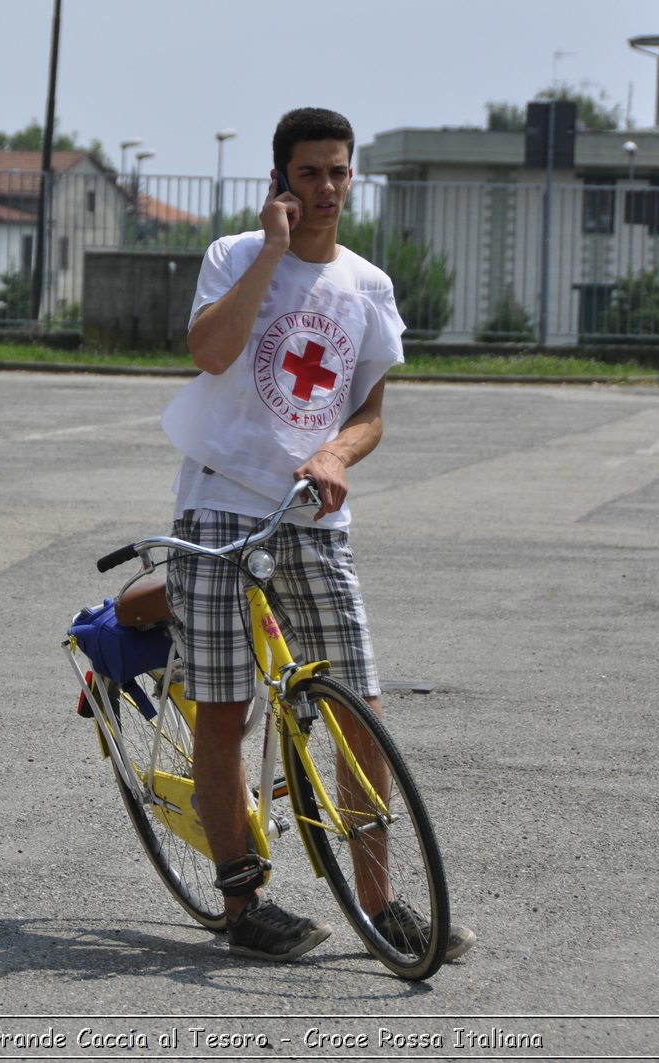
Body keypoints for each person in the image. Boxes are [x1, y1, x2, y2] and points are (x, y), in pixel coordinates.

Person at [161, 108, 475, 963]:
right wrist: (271, 249)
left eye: (339, 172)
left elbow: (370, 411)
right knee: (226, 706)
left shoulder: (367, 285)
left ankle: (381, 902)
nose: (328, 190)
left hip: (313, 514)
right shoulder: (233, 255)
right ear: (279, 179)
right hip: (222, 504)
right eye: (310, 174)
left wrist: (336, 449)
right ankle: (241, 902)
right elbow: (210, 351)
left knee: (360, 710)